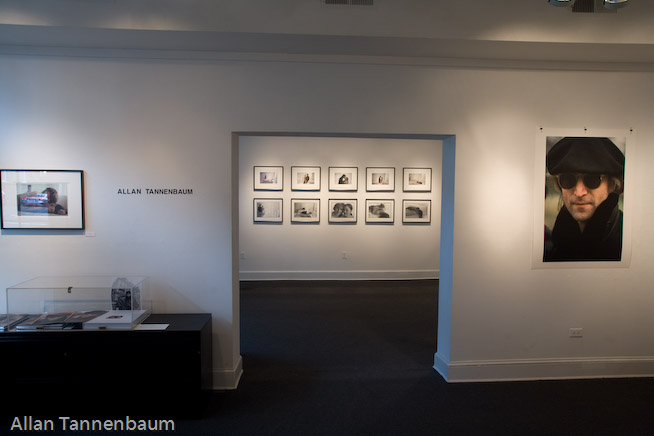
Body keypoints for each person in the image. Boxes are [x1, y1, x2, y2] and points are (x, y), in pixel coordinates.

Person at [544, 137, 624, 261]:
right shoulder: (549, 246)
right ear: (559, 186)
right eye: (568, 180)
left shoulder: (629, 241)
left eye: (592, 180)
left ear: (612, 185)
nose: (579, 192)